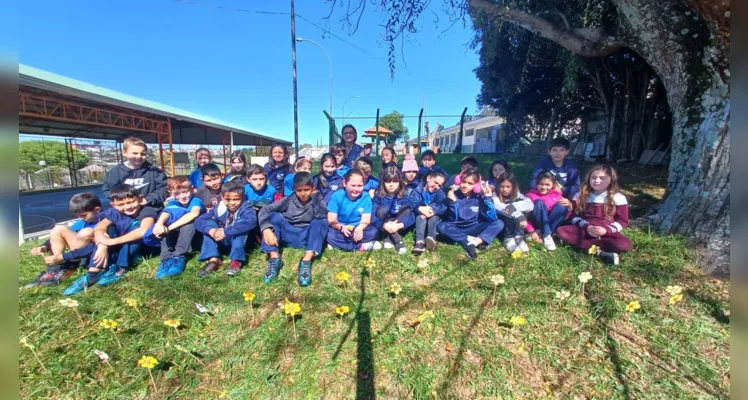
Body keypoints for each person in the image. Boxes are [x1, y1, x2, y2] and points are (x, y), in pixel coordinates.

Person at [63, 184, 158, 295]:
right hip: (120, 246)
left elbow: (143, 231)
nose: (127, 207)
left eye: (131, 202)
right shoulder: (113, 212)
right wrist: (102, 245)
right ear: (113, 205)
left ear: (140, 199)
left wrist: (112, 242)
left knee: (134, 229)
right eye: (121, 204)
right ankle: (93, 274)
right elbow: (100, 227)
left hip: (143, 247)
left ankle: (121, 268)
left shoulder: (147, 211)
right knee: (109, 228)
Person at [259, 172, 328, 286]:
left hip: (306, 236)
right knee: (273, 216)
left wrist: (315, 196)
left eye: (306, 189)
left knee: (321, 221)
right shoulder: (289, 199)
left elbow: (321, 214)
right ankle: (274, 258)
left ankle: (306, 260)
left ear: (313, 188)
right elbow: (265, 209)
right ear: (294, 189)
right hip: (288, 233)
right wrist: (266, 229)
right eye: (299, 190)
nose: (303, 193)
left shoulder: (317, 199)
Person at [556, 165, 632, 265]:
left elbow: (623, 221)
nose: (597, 181)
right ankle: (600, 253)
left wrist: (606, 230)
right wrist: (586, 226)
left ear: (611, 180)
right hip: (584, 229)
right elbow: (573, 216)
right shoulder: (580, 195)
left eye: (602, 178)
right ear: (589, 179)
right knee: (561, 231)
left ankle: (586, 247)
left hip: (605, 232)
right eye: (593, 178)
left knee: (625, 244)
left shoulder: (618, 197)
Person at [25, 193, 102, 288]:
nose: (81, 218)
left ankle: (72, 265)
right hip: (76, 251)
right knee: (59, 228)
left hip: (93, 255)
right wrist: (44, 246)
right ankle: (56, 266)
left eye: (84, 215)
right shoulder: (83, 222)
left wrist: (65, 256)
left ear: (97, 210)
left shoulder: (105, 221)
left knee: (86, 232)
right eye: (78, 216)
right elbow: (66, 233)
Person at [194, 181, 257, 277]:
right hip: (222, 239)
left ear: (243, 198)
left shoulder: (247, 208)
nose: (232, 203)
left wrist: (225, 231)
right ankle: (214, 260)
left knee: (240, 225)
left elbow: (251, 222)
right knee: (209, 224)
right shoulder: (218, 208)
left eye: (236, 199)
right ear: (222, 197)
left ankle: (236, 261)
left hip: (242, 242)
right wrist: (211, 231)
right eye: (227, 199)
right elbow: (198, 221)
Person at [437, 168, 503, 259]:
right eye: (463, 182)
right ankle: (471, 240)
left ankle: (474, 242)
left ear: (476, 185)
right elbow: (453, 219)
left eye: (470, 183)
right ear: (459, 181)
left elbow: (492, 218)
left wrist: (488, 199)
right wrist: (452, 202)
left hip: (474, 226)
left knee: (499, 223)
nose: (465, 186)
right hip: (456, 227)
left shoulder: (479, 197)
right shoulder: (453, 195)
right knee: (441, 226)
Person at [147, 177, 205, 279]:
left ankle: (179, 256)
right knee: (164, 225)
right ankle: (166, 259)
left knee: (189, 223)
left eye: (185, 192)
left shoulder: (196, 200)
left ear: (191, 189)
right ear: (171, 193)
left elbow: (193, 214)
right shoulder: (173, 202)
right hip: (180, 236)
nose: (182, 196)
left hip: (196, 237)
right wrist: (159, 224)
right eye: (177, 193)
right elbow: (166, 212)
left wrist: (168, 229)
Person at [102, 136, 168, 209]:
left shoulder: (155, 171)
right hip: (125, 210)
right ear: (124, 153)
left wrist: (147, 200)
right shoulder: (115, 172)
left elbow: (164, 189)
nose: (139, 156)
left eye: (143, 154)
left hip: (151, 208)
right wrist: (124, 202)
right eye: (135, 153)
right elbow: (108, 190)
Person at [326, 169, 382, 252]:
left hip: (358, 228)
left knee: (374, 232)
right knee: (328, 234)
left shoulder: (366, 197)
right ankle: (361, 246)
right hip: (340, 228)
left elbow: (366, 218)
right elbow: (331, 220)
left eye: (360, 186)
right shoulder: (336, 196)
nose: (356, 189)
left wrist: (360, 228)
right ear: (345, 183)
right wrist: (341, 227)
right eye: (353, 185)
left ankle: (338, 245)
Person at [372, 167, 415, 255]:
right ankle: (397, 240)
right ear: (383, 182)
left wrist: (400, 225)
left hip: (398, 225)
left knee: (406, 209)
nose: (391, 185)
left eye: (395, 181)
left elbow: (411, 214)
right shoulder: (378, 196)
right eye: (388, 181)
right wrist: (383, 224)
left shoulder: (404, 196)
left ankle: (388, 236)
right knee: (381, 210)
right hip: (384, 224)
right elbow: (372, 214)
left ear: (399, 182)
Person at [487, 172, 533, 253]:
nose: (505, 189)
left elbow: (530, 204)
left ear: (513, 186)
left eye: (508, 186)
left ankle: (519, 236)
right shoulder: (495, 196)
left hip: (517, 227)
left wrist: (513, 207)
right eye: (502, 186)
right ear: (498, 186)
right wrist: (518, 215)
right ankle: (508, 239)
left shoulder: (517, 195)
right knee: (507, 212)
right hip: (505, 227)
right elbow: (500, 207)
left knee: (517, 209)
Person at [526, 171, 571, 251]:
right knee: (539, 202)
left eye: (547, 185)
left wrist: (570, 207)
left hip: (551, 224)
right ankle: (546, 235)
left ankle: (544, 234)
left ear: (553, 185)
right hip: (537, 223)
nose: (543, 187)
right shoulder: (530, 196)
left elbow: (565, 214)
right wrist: (531, 230)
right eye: (541, 184)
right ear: (536, 184)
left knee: (562, 206)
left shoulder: (557, 195)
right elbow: (524, 216)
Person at [529, 137, 580, 206]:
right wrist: (546, 189)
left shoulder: (570, 166)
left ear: (567, 152)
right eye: (554, 150)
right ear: (549, 151)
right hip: (544, 194)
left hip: (562, 197)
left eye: (562, 150)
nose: (558, 153)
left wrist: (562, 190)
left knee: (561, 206)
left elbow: (575, 185)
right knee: (538, 204)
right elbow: (534, 179)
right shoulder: (544, 163)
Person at [410, 170, 448, 254]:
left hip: (433, 217)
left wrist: (432, 209)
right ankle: (419, 242)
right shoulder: (417, 190)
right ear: (428, 178)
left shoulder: (440, 194)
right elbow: (411, 202)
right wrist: (419, 208)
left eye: (439, 185)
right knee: (420, 216)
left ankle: (431, 238)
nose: (436, 186)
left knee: (434, 217)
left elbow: (444, 206)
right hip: (420, 217)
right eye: (435, 182)